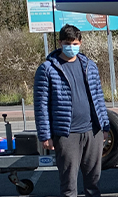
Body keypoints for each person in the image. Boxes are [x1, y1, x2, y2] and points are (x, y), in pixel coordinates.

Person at [33, 24, 110, 197]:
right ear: (60, 42)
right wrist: (45, 135)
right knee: (69, 185)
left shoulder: (90, 66)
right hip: (67, 134)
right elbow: (41, 105)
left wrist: (105, 126)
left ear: (80, 42)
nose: (71, 47)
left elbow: (99, 97)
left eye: (75, 43)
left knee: (94, 182)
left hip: (93, 132)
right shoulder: (47, 69)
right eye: (67, 43)